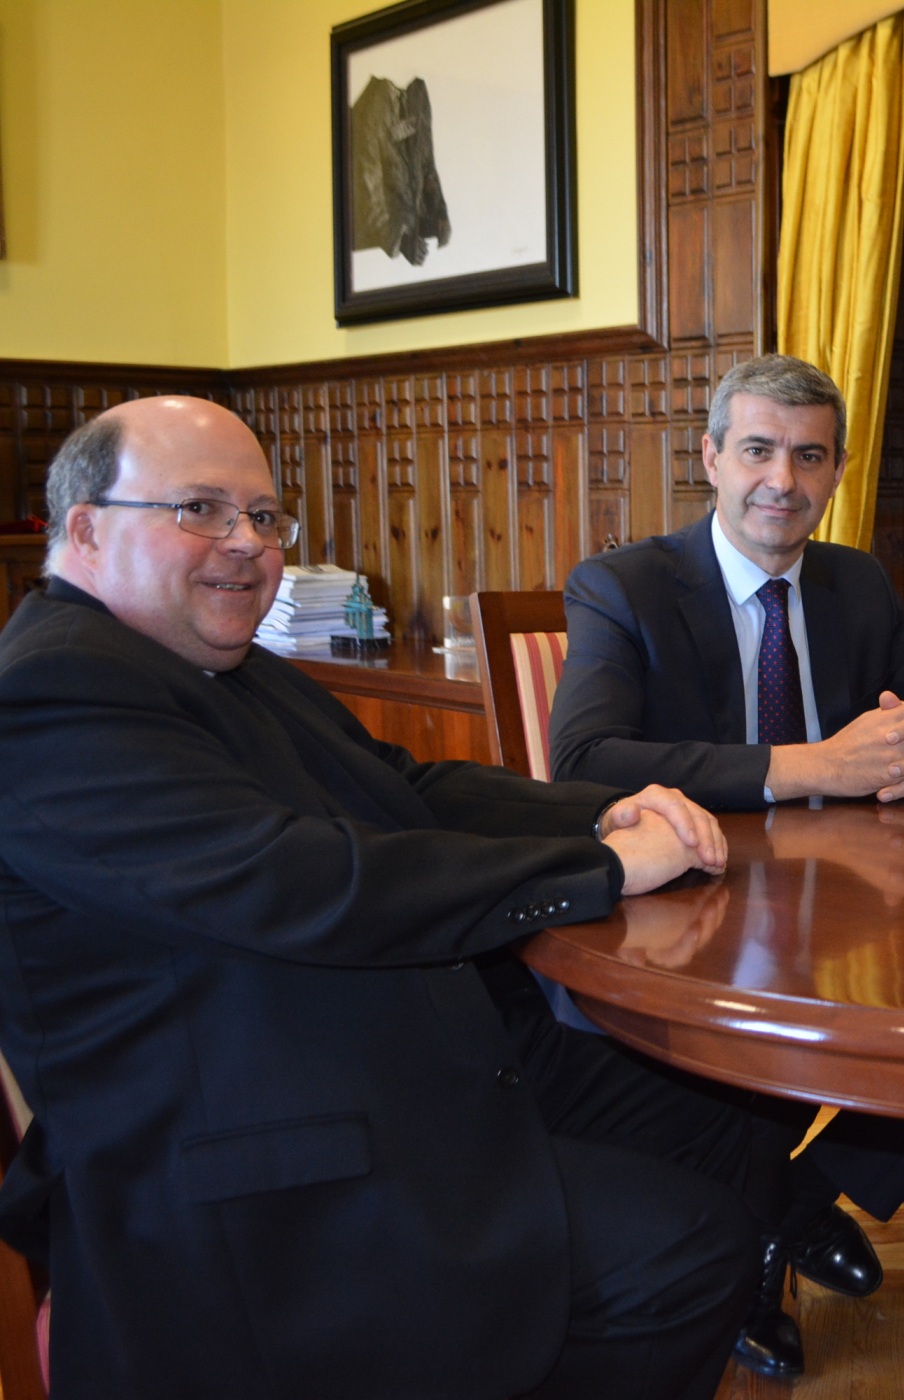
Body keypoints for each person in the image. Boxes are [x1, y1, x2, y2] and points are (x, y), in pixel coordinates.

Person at [0, 398, 762, 1399]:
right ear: (87, 526)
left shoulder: (211, 660)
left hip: (380, 1043)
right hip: (248, 1153)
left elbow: (408, 788)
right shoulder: (55, 688)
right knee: (685, 1248)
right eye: (202, 509)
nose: (247, 545)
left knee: (721, 1097)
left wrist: (605, 812)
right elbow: (299, 878)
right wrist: (610, 873)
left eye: (266, 517)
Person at [550, 353, 904, 1375]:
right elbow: (584, 760)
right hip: (689, 906)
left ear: (837, 470)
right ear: (711, 457)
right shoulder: (626, 583)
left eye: (810, 457)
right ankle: (745, 1266)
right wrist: (814, 766)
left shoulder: (854, 581)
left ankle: (796, 1209)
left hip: (848, 900)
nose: (783, 480)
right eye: (759, 449)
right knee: (755, 1034)